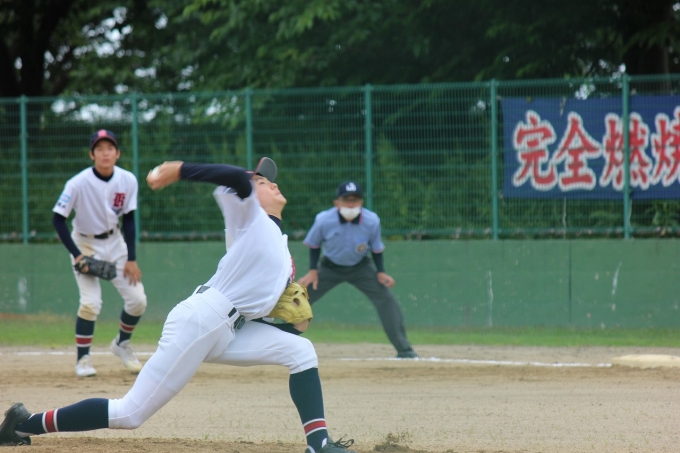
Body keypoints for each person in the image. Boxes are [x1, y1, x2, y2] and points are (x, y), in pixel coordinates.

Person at [0, 158, 356, 453]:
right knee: (130, 413)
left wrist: (290, 327)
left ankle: (319, 444)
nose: (272, 184)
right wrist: (180, 169)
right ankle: (23, 423)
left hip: (231, 329)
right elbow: (235, 179)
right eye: (262, 182)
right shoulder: (249, 217)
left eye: (269, 180)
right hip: (202, 319)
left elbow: (258, 309)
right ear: (250, 195)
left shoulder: (280, 246)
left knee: (301, 352)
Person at [52, 129, 147, 377]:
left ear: (117, 153)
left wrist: (132, 258)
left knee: (138, 300)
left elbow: (129, 220)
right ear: (92, 154)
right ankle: (83, 360)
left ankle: (122, 344)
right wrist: (77, 255)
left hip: (115, 244)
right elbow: (58, 219)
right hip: (85, 244)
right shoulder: (77, 183)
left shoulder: (128, 180)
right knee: (91, 303)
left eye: (110, 148)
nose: (105, 153)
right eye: (99, 148)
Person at [297, 181, 418, 359]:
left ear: (361, 202)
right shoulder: (324, 219)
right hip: (329, 267)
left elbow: (376, 249)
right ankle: (281, 344)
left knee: (386, 300)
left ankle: (405, 350)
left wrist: (380, 272)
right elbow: (314, 245)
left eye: (355, 200)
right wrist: (313, 271)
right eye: (346, 200)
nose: (351, 204)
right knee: (299, 299)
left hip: (361, 267)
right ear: (337, 203)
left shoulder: (371, 220)